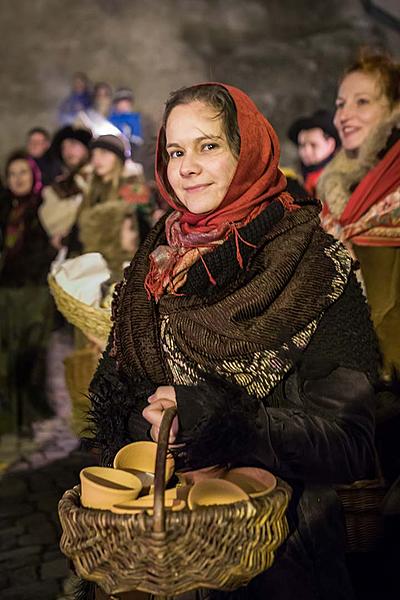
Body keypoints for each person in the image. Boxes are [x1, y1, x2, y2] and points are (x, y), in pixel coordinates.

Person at [81, 83, 379, 600]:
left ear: (249, 152)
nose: (187, 166)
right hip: (162, 557)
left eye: (208, 145)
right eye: (176, 151)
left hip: (281, 556)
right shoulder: (153, 268)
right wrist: (147, 425)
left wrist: (218, 420)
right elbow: (115, 395)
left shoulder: (314, 264)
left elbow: (350, 445)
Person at [317, 50, 400, 382]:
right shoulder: (333, 190)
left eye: (362, 101)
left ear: (394, 108)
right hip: (351, 380)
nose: (344, 115)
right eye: (340, 104)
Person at [0, 151, 57, 435]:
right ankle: (11, 414)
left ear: (33, 176)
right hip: (7, 290)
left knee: (30, 355)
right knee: (7, 355)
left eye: (23, 172)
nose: (18, 178)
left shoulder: (45, 207)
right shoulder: (5, 210)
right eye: (13, 173)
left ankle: (27, 416)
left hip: (34, 291)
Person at [74, 134, 152, 281]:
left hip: (123, 267)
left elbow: (143, 227)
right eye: (94, 154)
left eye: (103, 153)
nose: (97, 160)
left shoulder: (133, 187)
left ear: (118, 158)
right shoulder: (92, 191)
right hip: (92, 266)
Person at [38, 126, 93, 251]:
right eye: (64, 147)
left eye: (73, 144)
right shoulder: (58, 187)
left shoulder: (102, 177)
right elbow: (50, 221)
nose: (67, 151)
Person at [287, 109, 339, 196]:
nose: (306, 151)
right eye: (302, 145)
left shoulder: (341, 180)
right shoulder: (294, 178)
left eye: (313, 145)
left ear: (331, 144)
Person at [109, 87, 144, 152]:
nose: (124, 105)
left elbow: (138, 139)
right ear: (116, 104)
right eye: (121, 102)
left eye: (127, 102)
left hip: (131, 149)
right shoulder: (111, 119)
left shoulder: (135, 119)